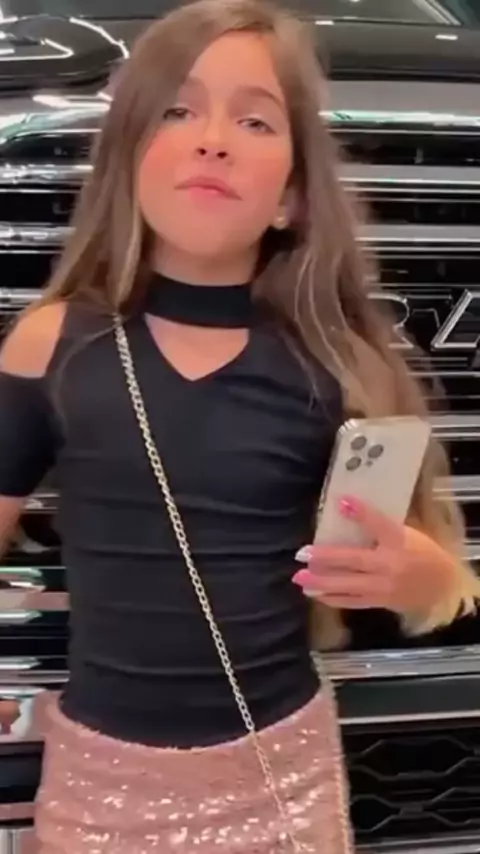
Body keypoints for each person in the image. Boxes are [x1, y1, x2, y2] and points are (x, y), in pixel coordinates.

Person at [0, 1, 478, 851]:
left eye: (255, 121)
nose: (214, 140)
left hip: (284, 781)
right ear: (127, 161)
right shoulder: (51, 345)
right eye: (177, 111)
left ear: (292, 195)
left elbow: (440, 583)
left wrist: (420, 576)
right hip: (102, 792)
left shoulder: (336, 365)